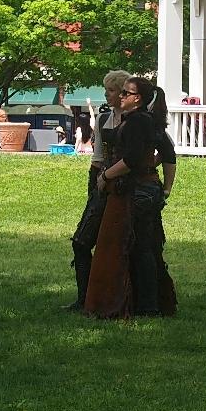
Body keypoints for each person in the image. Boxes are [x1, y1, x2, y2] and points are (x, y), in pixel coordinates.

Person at [84, 76, 176, 318]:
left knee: (135, 247)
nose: (121, 96)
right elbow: (166, 153)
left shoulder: (138, 121)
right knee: (142, 247)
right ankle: (147, 303)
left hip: (137, 190)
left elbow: (132, 159)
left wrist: (105, 176)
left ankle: (145, 305)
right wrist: (163, 185)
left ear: (138, 99)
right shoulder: (145, 120)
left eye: (126, 93)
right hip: (144, 188)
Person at [64, 70, 129, 311]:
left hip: (126, 190)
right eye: (106, 90)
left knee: (119, 248)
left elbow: (162, 149)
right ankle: (85, 298)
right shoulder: (103, 120)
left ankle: (120, 300)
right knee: (81, 242)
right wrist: (94, 190)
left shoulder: (138, 120)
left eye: (111, 90)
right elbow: (98, 157)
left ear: (123, 93)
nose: (106, 94)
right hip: (102, 186)